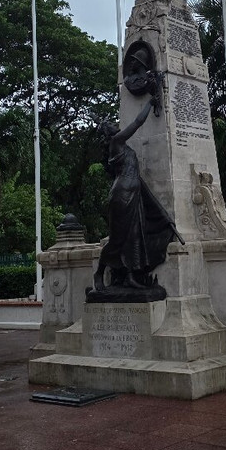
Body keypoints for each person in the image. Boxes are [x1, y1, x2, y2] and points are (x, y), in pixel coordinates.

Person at [91, 87, 182, 296]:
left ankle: (131, 276)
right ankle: (99, 272)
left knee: (134, 236)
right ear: (108, 133)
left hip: (134, 194)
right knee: (117, 238)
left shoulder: (122, 146)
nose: (115, 124)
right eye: (111, 124)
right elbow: (137, 123)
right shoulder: (116, 142)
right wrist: (150, 103)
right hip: (121, 195)